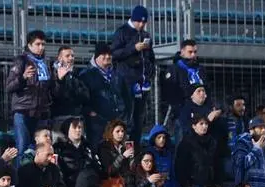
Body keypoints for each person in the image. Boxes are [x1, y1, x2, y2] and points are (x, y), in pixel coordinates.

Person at [111, 5, 155, 142]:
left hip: (142, 83)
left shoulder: (145, 35)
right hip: (126, 82)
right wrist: (133, 48)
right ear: (133, 19)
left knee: (139, 119)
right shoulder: (122, 32)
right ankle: (123, 147)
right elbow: (114, 53)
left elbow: (150, 58)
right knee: (126, 117)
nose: (141, 25)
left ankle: (136, 150)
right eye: (139, 21)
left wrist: (150, 74)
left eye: (143, 22)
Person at [6, 30, 53, 156]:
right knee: (22, 148)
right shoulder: (21, 61)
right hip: (23, 111)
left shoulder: (46, 63)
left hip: (40, 113)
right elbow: (9, 87)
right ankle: (19, 175)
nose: (41, 47)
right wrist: (22, 77)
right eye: (38, 44)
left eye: (43, 44)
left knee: (40, 149)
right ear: (29, 45)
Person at [80, 44, 130, 147]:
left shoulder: (118, 75)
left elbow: (126, 98)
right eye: (103, 54)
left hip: (117, 123)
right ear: (96, 56)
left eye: (109, 54)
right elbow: (82, 100)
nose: (107, 56)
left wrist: (124, 116)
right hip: (96, 126)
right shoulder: (86, 75)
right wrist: (92, 114)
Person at [176, 115, 220, 187]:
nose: (204, 126)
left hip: (209, 186)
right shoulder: (186, 143)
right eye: (201, 124)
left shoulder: (212, 142)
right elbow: (180, 166)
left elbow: (216, 164)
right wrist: (187, 185)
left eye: (206, 124)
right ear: (194, 126)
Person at [162, 39, 206, 136]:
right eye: (190, 52)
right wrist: (180, 109)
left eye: (195, 52)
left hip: (201, 113)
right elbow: (169, 93)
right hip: (183, 113)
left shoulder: (200, 69)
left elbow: (207, 88)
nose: (193, 55)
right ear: (182, 52)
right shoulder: (174, 69)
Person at [51, 46, 90, 127]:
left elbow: (85, 96)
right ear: (60, 58)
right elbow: (56, 95)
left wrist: (73, 80)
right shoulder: (52, 73)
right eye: (67, 56)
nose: (71, 58)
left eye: (72, 56)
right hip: (60, 117)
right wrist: (60, 80)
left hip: (76, 116)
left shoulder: (77, 74)